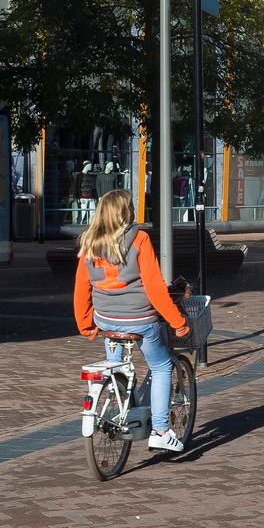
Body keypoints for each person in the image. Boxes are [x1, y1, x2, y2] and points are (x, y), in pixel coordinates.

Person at [72, 189, 191, 452]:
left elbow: (82, 288)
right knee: (161, 367)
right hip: (140, 320)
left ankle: (120, 407)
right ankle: (160, 430)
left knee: (116, 369)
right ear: (126, 212)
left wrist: (85, 324)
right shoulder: (139, 238)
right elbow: (155, 288)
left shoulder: (89, 242)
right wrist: (178, 321)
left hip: (106, 321)